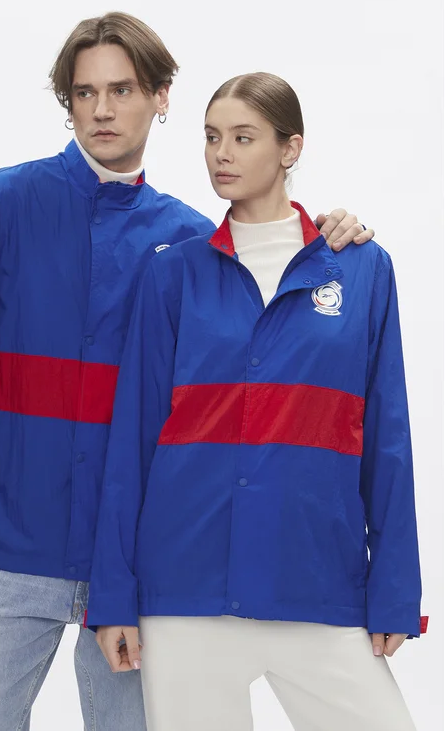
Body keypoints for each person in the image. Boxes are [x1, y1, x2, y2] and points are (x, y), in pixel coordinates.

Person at [0, 11, 373, 731]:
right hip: (10, 554)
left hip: (137, 568)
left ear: (160, 96)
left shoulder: (190, 242)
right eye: (85, 93)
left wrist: (334, 237)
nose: (102, 110)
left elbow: (253, 371)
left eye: (121, 90)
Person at [89, 71, 426, 731]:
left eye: (243, 138)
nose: (222, 154)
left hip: (317, 583)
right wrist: (113, 598)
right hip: (186, 590)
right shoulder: (174, 274)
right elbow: (132, 442)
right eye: (212, 137)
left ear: (290, 148)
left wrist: (393, 590)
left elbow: (387, 440)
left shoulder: (361, 269)